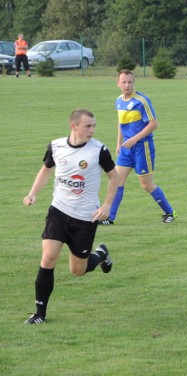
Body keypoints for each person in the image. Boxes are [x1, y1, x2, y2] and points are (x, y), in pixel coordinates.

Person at [23, 109, 119, 324]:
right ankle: (40, 314)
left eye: (94, 126)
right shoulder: (56, 146)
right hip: (58, 211)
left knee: (78, 270)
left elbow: (115, 177)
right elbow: (46, 170)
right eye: (88, 126)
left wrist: (106, 206)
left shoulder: (98, 150)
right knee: (48, 258)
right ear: (74, 125)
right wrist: (33, 194)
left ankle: (101, 256)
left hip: (85, 218)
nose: (92, 130)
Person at [100, 69, 176, 225]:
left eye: (130, 82)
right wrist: (118, 143)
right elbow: (122, 123)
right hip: (126, 149)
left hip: (143, 147)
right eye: (124, 82)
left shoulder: (142, 101)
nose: (127, 85)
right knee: (117, 181)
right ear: (118, 84)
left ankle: (170, 212)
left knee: (146, 185)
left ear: (134, 83)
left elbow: (153, 124)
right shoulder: (119, 101)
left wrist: (134, 139)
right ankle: (110, 218)